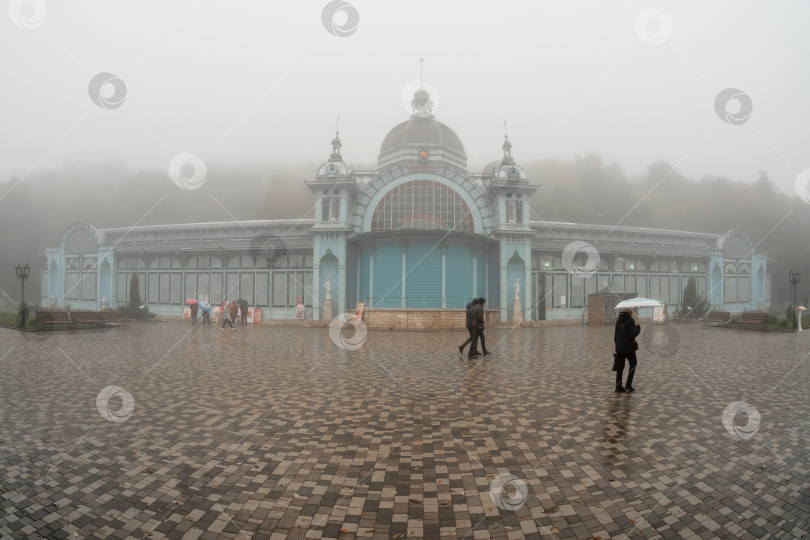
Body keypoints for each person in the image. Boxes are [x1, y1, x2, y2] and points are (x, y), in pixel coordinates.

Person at [614, 307, 640, 392]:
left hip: (619, 347)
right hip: (629, 348)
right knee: (633, 363)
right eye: (631, 311)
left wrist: (618, 344)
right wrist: (638, 328)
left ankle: (618, 387)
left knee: (620, 367)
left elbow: (615, 336)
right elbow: (634, 333)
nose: (632, 312)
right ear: (629, 312)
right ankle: (628, 384)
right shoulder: (630, 320)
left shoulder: (618, 320)